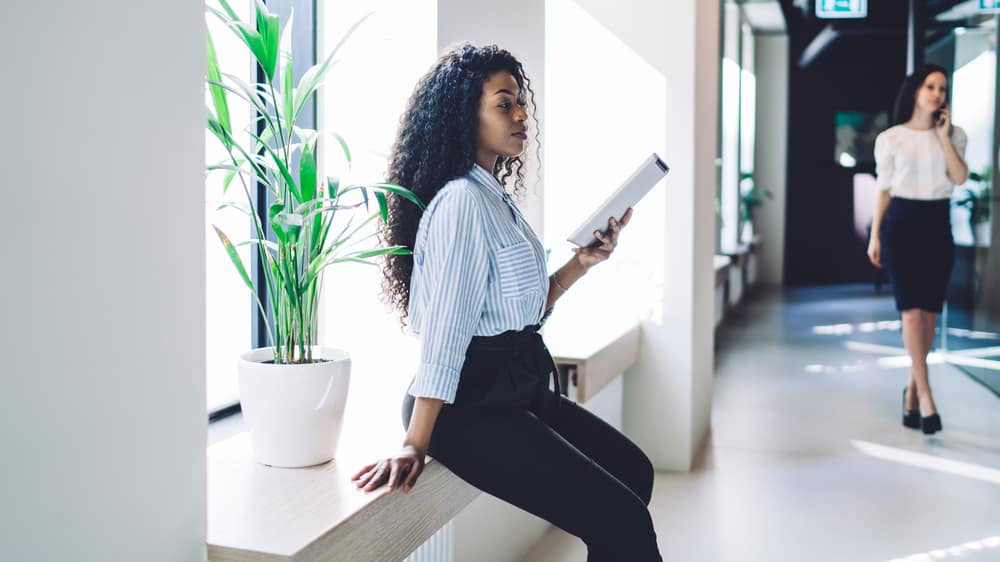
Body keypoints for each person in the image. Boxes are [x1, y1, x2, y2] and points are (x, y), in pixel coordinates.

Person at [352, 43, 663, 561]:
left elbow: (517, 314)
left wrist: (581, 264)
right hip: (464, 406)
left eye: (520, 102)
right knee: (622, 519)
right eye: (504, 103)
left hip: (511, 386)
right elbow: (447, 335)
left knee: (635, 474)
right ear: (464, 117)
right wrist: (415, 441)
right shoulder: (460, 204)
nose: (521, 115)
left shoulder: (491, 196)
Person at [867, 64, 968, 435]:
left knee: (928, 316)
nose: (937, 93)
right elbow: (884, 190)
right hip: (903, 225)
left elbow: (958, 178)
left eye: (942, 88)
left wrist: (943, 137)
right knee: (911, 315)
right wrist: (875, 236)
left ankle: (910, 390)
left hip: (937, 225)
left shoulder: (955, 135)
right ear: (915, 91)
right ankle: (926, 397)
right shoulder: (891, 138)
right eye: (930, 86)